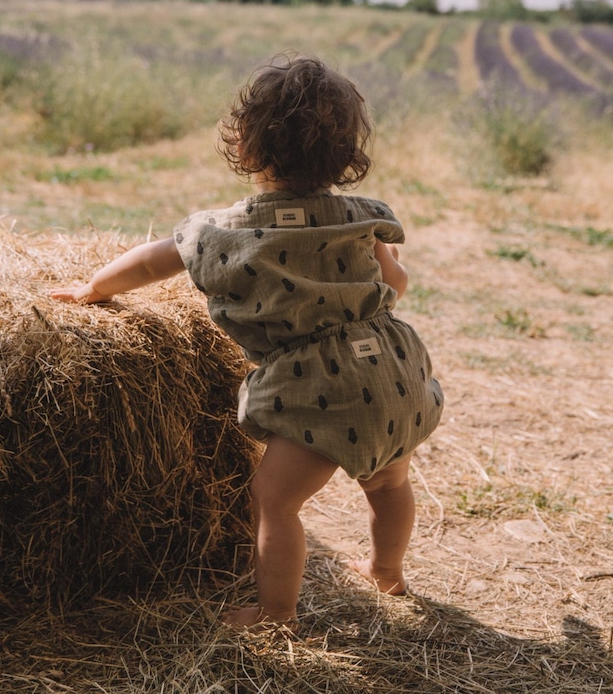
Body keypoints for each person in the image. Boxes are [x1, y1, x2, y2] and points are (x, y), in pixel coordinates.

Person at [50, 55, 443, 631]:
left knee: (275, 501)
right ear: (347, 154)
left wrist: (93, 287)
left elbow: (154, 261)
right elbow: (397, 284)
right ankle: (388, 573)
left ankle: (275, 612)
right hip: (395, 368)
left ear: (247, 147)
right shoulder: (364, 216)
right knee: (390, 483)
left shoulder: (225, 231)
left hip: (324, 385)